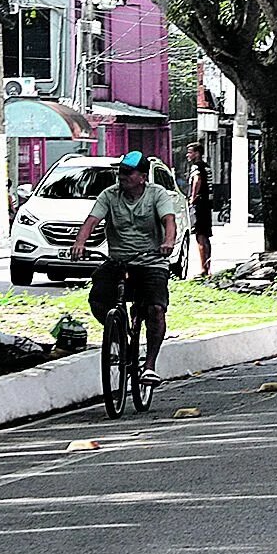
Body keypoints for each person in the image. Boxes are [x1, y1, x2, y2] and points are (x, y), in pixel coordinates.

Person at [72, 151, 181, 383]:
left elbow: (169, 221)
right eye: (120, 172)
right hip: (119, 261)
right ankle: (119, 336)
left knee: (155, 309)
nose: (122, 177)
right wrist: (79, 243)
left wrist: (168, 241)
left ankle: (149, 365)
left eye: (128, 173)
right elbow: (91, 221)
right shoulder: (109, 196)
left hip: (152, 261)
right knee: (98, 299)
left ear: (142, 176)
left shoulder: (157, 194)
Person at [185, 145, 215, 278]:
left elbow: (197, 180)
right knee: (206, 236)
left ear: (197, 153)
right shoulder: (207, 166)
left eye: (190, 152)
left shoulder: (196, 167)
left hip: (199, 204)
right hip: (207, 204)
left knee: (200, 236)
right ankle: (208, 267)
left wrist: (193, 197)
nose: (188, 155)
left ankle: (203, 269)